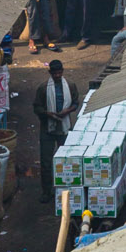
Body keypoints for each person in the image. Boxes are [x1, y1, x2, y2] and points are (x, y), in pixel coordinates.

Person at [33, 57, 79, 203]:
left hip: (64, 128)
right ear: (50, 73)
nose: (58, 76)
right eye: (55, 74)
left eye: (60, 73)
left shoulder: (70, 86)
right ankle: (47, 192)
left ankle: (67, 190)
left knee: (67, 160)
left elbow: (76, 103)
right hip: (48, 128)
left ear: (62, 72)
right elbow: (37, 107)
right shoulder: (43, 88)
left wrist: (67, 111)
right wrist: (49, 114)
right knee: (46, 162)